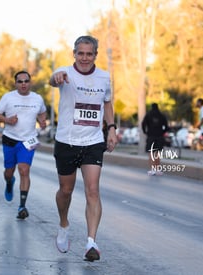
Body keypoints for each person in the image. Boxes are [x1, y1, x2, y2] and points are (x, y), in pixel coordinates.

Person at [49, 35, 118, 262]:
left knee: (93, 190)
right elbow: (52, 80)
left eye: (89, 54)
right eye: (81, 53)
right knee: (66, 191)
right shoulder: (65, 71)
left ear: (95, 55)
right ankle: (64, 224)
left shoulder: (104, 77)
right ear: (74, 54)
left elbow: (107, 103)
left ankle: (91, 242)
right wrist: (56, 77)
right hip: (67, 141)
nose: (85, 58)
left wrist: (111, 129)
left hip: (92, 142)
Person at [0, 71, 47, 220]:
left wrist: (42, 121)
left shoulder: (37, 98)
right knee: (9, 172)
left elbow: (42, 112)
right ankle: (9, 182)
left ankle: (22, 206)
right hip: (10, 139)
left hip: (29, 140)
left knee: (24, 170)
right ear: (15, 83)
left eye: (26, 81)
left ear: (30, 82)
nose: (23, 84)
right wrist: (7, 120)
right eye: (20, 81)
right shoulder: (8, 97)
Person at [141, 103, 169, 176]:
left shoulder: (148, 115)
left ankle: (152, 169)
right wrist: (162, 132)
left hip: (151, 136)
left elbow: (143, 124)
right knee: (157, 153)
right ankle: (157, 169)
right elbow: (166, 126)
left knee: (151, 153)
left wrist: (145, 132)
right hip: (159, 136)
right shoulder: (162, 116)